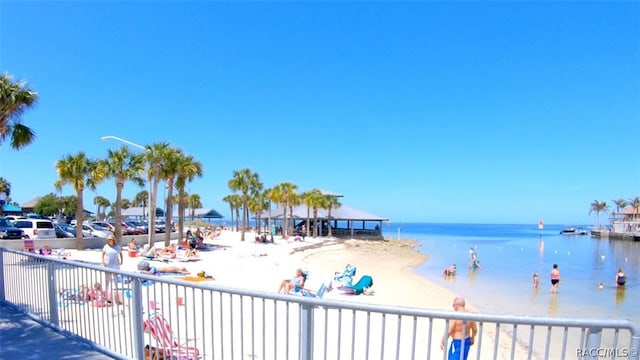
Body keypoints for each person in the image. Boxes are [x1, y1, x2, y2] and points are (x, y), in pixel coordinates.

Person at [101, 234, 123, 315]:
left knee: (115, 279)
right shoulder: (106, 247)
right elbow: (102, 254)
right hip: (108, 265)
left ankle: (116, 291)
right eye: (109, 240)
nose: (110, 241)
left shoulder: (117, 247)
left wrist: (121, 261)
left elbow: (120, 253)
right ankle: (106, 292)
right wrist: (103, 261)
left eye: (111, 240)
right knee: (107, 279)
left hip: (115, 265)